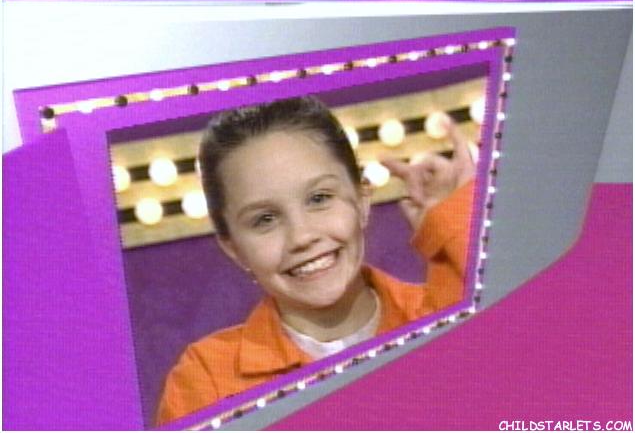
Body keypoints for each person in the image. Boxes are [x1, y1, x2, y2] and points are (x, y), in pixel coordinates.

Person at [156, 96, 474, 425]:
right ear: (234, 248)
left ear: (362, 201)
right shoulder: (207, 378)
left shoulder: (449, 309)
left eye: (319, 198)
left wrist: (457, 224)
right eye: (265, 219)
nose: (302, 236)